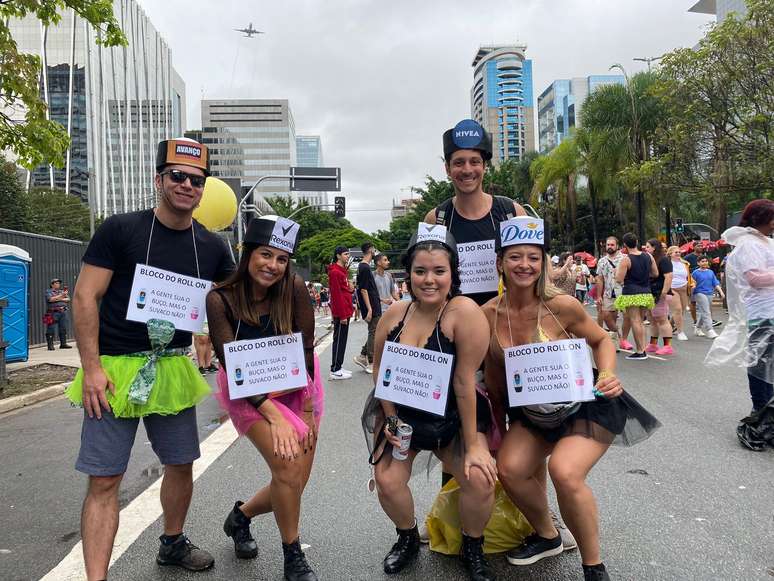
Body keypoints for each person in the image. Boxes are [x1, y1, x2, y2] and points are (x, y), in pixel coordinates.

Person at [65, 137, 235, 579]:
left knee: (181, 463)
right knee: (104, 479)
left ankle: (172, 542)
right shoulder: (121, 229)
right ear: (159, 179)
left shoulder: (213, 247)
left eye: (196, 180)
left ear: (203, 188)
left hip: (174, 367)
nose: (186, 185)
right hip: (115, 369)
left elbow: (237, 303)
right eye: (177, 176)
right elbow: (86, 295)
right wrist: (92, 369)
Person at [483, 216, 660, 581]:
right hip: (532, 413)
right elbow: (496, 377)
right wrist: (496, 429)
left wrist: (609, 373)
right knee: (510, 469)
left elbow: (599, 341)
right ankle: (548, 535)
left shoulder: (561, 305)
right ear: (500, 262)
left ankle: (593, 566)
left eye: (534, 257)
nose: (525, 265)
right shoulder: (487, 314)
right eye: (515, 257)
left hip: (585, 405)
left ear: (544, 262)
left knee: (563, 471)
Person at [363, 223, 497, 580]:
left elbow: (465, 382)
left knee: (480, 478)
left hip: (454, 416)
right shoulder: (394, 316)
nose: (429, 280)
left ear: (453, 273)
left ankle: (472, 545)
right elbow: (381, 373)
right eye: (420, 271)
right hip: (402, 416)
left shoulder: (465, 313)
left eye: (439, 271)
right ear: (408, 274)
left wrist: (473, 446)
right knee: (388, 481)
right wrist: (390, 420)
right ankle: (407, 537)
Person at [207, 215, 322, 580]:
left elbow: (305, 348)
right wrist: (272, 414)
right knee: (287, 470)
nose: (273, 265)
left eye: (282, 259)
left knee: (295, 482)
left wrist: (305, 409)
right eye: (265, 255)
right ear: (248, 254)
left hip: (298, 386)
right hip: (248, 393)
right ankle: (293, 554)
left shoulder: (295, 288)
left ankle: (240, 517)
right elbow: (228, 361)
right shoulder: (219, 298)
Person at [707, 199, 774, 443]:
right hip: (763, 314)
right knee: (760, 365)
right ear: (761, 219)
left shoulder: (766, 242)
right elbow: (754, 278)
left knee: (770, 365)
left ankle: (769, 414)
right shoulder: (748, 244)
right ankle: (761, 413)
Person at [614, 233, 658, 360]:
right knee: (641, 321)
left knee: (635, 320)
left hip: (631, 292)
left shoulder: (626, 259)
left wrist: (616, 273)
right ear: (637, 241)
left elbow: (619, 279)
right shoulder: (648, 256)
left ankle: (640, 351)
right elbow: (655, 273)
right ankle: (642, 348)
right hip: (646, 291)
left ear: (624, 245)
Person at [354, 242, 382, 374]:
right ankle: (370, 361)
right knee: (374, 332)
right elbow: (364, 290)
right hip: (371, 305)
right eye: (374, 249)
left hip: (373, 303)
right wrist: (369, 309)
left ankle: (362, 355)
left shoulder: (363, 267)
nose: (375, 252)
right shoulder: (364, 268)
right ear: (370, 250)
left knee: (374, 330)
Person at [327, 246, 354, 380]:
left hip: (346, 310)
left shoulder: (342, 271)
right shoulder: (335, 272)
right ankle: (335, 369)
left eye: (348, 254)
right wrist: (342, 315)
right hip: (341, 312)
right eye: (345, 254)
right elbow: (336, 295)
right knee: (339, 340)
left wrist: (350, 289)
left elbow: (344, 291)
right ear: (338, 256)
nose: (347, 256)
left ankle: (339, 366)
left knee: (342, 340)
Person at [644, 239, 674, 355]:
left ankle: (668, 346)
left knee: (662, 319)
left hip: (659, 292)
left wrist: (664, 292)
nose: (646, 249)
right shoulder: (651, 260)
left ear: (654, 248)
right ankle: (653, 344)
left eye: (648, 247)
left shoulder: (664, 260)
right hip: (651, 292)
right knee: (652, 319)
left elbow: (669, 276)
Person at [595, 237, 624, 345]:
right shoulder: (602, 261)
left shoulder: (624, 259)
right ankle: (618, 333)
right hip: (608, 293)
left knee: (623, 317)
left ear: (617, 246)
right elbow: (600, 279)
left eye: (612, 245)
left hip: (623, 292)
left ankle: (615, 342)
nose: (609, 247)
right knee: (606, 314)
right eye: (608, 245)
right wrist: (599, 296)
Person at [692, 257, 725, 339]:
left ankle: (698, 328)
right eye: (702, 261)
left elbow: (715, 283)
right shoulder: (695, 273)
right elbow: (692, 283)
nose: (705, 263)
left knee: (704, 311)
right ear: (698, 263)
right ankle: (710, 330)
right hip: (699, 293)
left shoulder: (710, 272)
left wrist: (721, 292)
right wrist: (691, 292)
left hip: (709, 293)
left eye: (706, 261)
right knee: (706, 311)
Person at [667, 246, 693, 341]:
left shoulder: (685, 263)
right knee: (677, 309)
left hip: (684, 289)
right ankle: (680, 332)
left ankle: (669, 326)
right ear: (670, 254)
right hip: (672, 288)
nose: (678, 254)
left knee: (681, 311)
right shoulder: (668, 263)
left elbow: (688, 276)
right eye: (675, 252)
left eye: (679, 252)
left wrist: (692, 283)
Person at [45, 278, 72, 350]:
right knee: (51, 328)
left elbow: (68, 299)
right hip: (52, 312)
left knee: (63, 328)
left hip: (63, 312)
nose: (58, 284)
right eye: (56, 283)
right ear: (52, 284)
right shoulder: (48, 291)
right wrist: (62, 296)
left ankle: (63, 344)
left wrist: (58, 298)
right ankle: (50, 345)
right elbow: (50, 299)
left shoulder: (62, 291)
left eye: (59, 283)